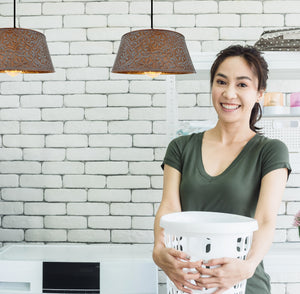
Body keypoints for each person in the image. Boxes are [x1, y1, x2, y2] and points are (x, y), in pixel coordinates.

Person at [152, 45, 291, 294]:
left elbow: (266, 219)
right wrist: (158, 249)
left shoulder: (270, 151)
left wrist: (247, 267)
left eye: (242, 84)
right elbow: (169, 208)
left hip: (245, 283)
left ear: (260, 93)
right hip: (189, 284)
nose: (229, 93)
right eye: (221, 81)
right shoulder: (181, 147)